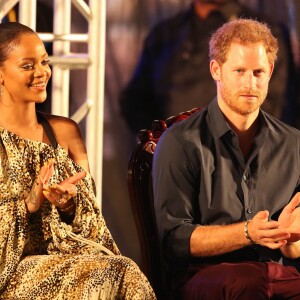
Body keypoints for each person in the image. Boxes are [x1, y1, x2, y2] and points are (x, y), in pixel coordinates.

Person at [0, 22, 156, 300]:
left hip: (71, 258)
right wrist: (28, 206)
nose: (42, 73)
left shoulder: (66, 132)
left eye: (45, 62)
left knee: (122, 272)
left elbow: (93, 226)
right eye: (27, 66)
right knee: (119, 273)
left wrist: (69, 205)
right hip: (13, 276)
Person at [153, 18, 300, 299]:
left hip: (275, 275)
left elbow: (293, 249)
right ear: (216, 70)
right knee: (249, 281)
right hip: (203, 277)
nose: (250, 83)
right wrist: (247, 232)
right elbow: (174, 239)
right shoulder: (180, 142)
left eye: (258, 72)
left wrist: (291, 240)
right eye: (239, 71)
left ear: (270, 71)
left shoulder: (294, 144)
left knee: (263, 279)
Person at [120, 0, 297, 134]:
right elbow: (134, 100)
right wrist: (161, 141)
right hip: (176, 160)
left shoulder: (266, 32)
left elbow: (280, 106)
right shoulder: (165, 34)